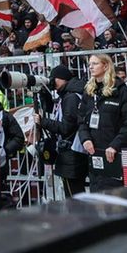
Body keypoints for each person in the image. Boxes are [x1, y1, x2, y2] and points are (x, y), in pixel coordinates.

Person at [76, 54, 127, 190]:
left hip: (115, 154)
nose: (91, 67)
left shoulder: (121, 91)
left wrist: (116, 145)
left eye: (95, 63)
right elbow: (81, 120)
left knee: (115, 198)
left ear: (105, 66)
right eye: (89, 64)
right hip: (95, 153)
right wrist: (85, 139)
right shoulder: (89, 91)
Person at [36, 65, 84, 197]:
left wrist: (43, 122)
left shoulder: (71, 97)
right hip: (72, 152)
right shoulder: (67, 96)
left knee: (73, 194)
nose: (52, 81)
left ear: (63, 79)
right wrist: (44, 93)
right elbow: (52, 108)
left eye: (54, 79)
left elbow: (66, 128)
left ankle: (79, 217)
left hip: (72, 152)